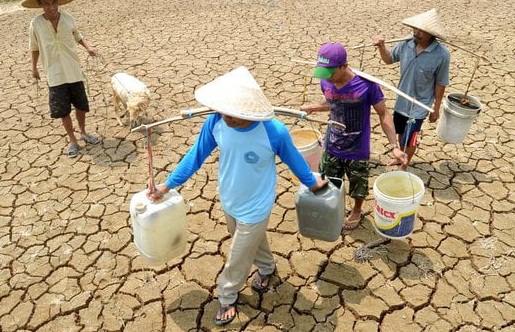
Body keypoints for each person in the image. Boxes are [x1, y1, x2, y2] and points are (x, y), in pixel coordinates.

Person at [147, 66, 327, 327]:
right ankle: (267, 268)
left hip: (257, 205)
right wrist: (167, 185)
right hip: (229, 199)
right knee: (250, 243)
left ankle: (227, 296)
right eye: (224, 111)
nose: (227, 117)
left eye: (233, 114)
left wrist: (312, 182)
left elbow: (295, 161)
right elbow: (195, 156)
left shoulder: (273, 131)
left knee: (238, 256)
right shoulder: (216, 122)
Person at [300, 42, 407, 230]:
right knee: (330, 182)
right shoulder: (326, 81)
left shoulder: (366, 85)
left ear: (344, 66)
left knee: (358, 185)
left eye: (330, 73)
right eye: (324, 74)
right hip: (332, 143)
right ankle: (333, 207)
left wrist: (394, 146)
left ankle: (357, 210)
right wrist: (315, 107)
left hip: (357, 148)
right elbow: (333, 101)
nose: (328, 78)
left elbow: (384, 114)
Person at [373, 8, 450, 170]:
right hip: (402, 101)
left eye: (422, 30)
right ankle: (401, 156)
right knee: (401, 133)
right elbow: (389, 59)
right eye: (415, 28)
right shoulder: (406, 44)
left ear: (432, 34)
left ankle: (405, 165)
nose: (417, 32)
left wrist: (435, 109)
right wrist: (381, 47)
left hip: (420, 105)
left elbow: (440, 83)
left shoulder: (442, 55)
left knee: (412, 137)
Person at [24, 0, 100, 158]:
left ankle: (84, 132)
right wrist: (34, 68)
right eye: (46, 4)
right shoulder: (36, 24)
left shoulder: (68, 18)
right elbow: (34, 47)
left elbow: (77, 36)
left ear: (58, 3)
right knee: (63, 110)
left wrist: (88, 47)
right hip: (54, 74)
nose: (51, 7)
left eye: (53, 3)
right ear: (40, 5)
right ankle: (72, 141)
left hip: (73, 70)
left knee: (80, 105)